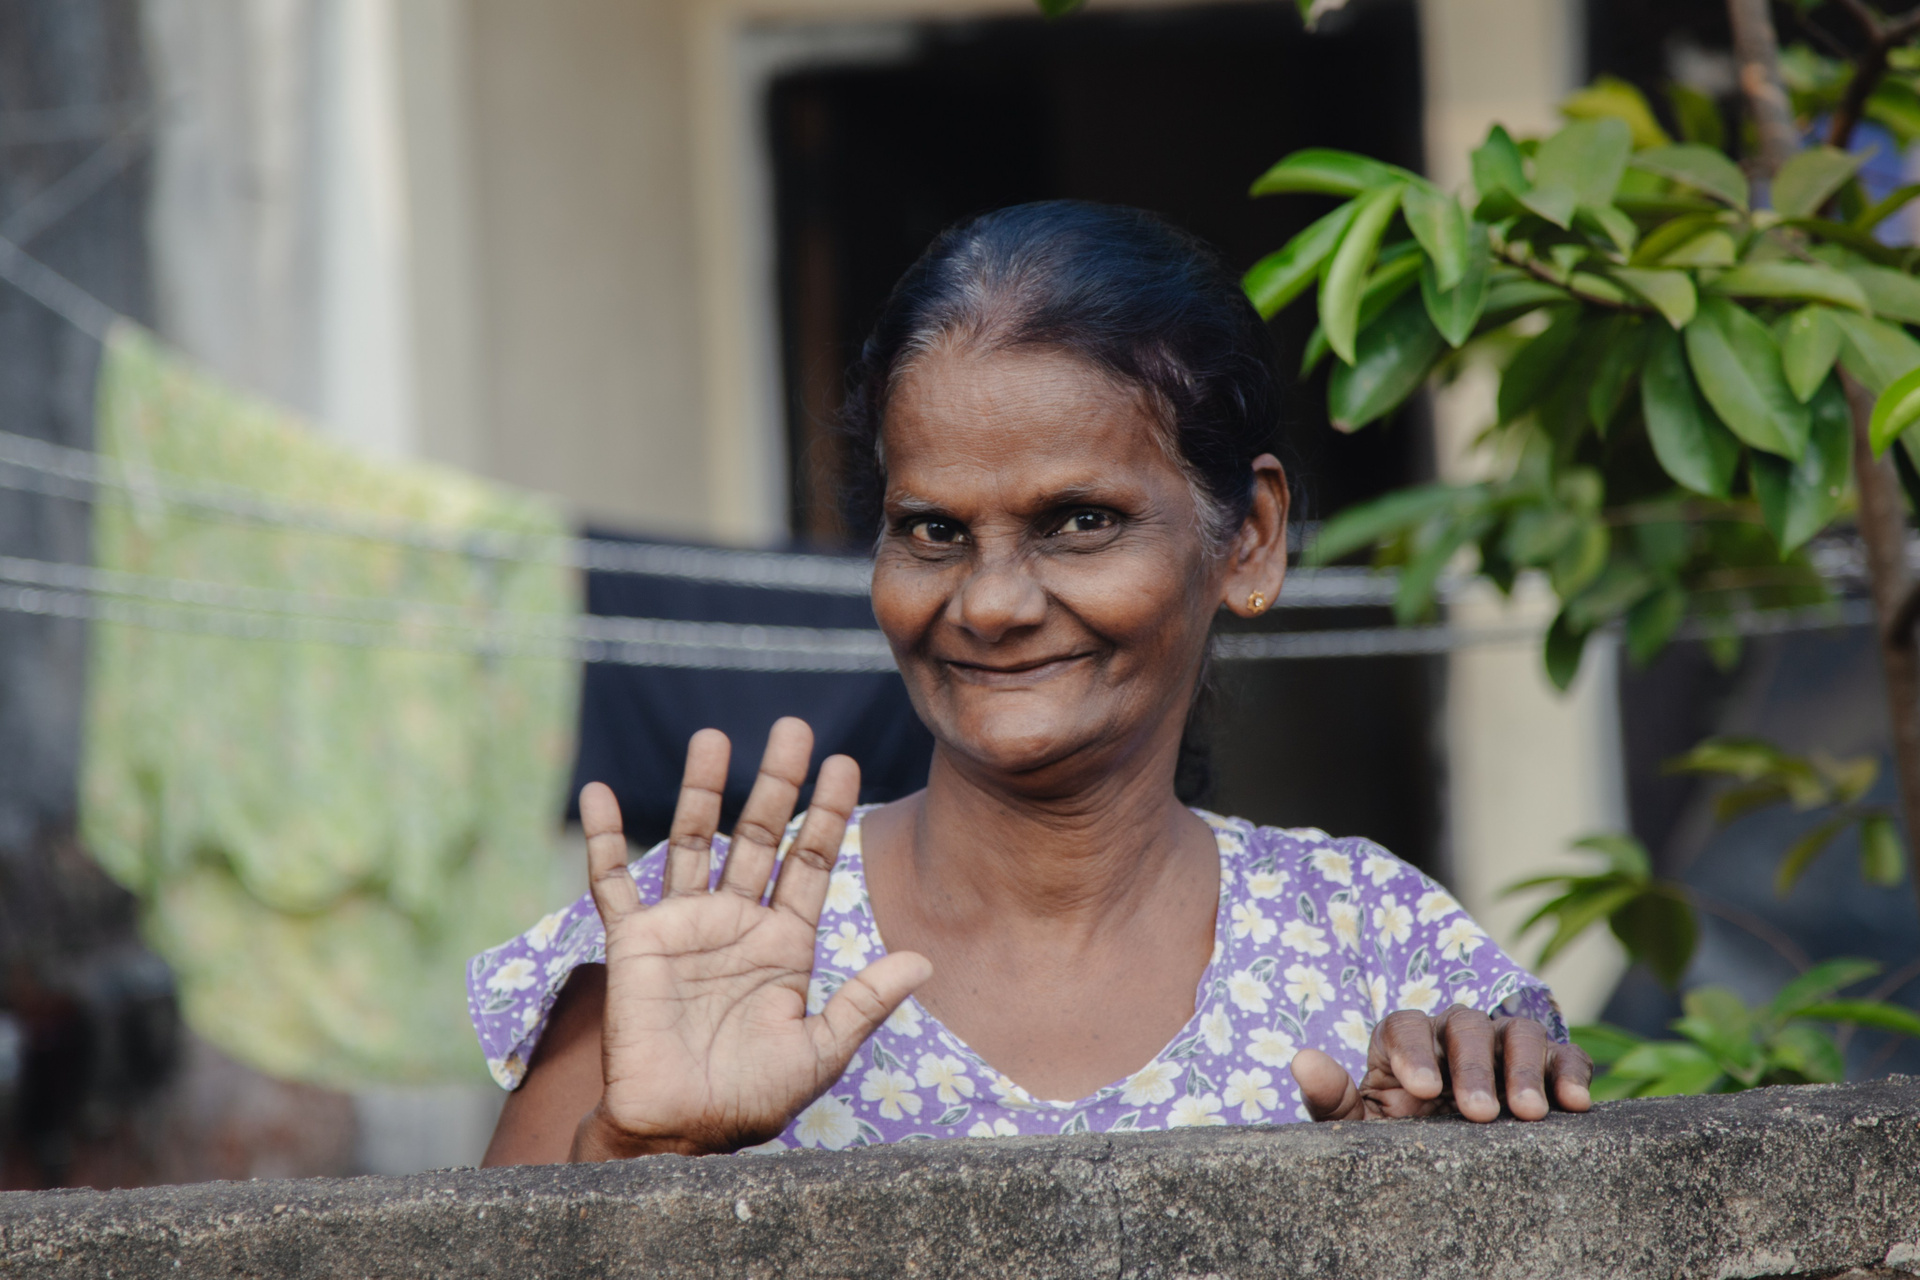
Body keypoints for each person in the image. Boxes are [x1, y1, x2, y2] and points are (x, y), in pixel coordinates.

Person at [470, 201, 1592, 1163]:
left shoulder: (1373, 944)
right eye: (934, 530)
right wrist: (633, 1158)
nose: (993, 602)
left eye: (1080, 521)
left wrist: (1424, 1194)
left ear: (1249, 537)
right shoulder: (695, 942)